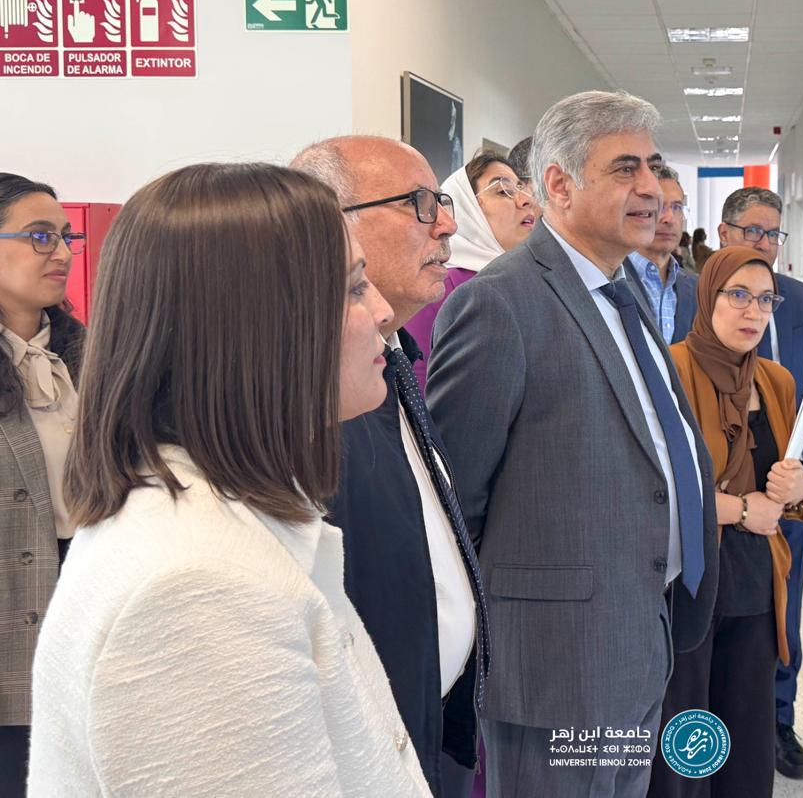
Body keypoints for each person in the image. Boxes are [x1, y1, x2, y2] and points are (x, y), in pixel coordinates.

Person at [27, 163, 431, 796]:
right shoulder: (200, 586)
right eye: (354, 289)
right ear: (260, 326)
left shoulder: (212, 526)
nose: (383, 312)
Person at [427, 90, 719, 798]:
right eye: (625, 168)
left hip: (638, 631)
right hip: (556, 666)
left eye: (652, 166)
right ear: (558, 183)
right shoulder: (500, 302)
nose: (651, 188)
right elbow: (453, 500)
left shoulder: (623, 289)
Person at [292, 136, 489, 798]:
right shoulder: (308, 404)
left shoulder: (395, 355)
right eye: (420, 204)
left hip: (430, 736)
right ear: (328, 221)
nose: (449, 223)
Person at [647, 247, 803, 798]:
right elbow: (652, 486)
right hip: (687, 578)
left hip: (755, 580)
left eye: (765, 300)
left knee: (746, 730)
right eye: (737, 295)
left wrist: (799, 489)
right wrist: (740, 509)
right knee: (687, 731)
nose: (753, 312)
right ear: (707, 295)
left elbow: (787, 489)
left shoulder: (776, 381)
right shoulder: (666, 370)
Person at [715, 186, 803, 779]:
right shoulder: (703, 295)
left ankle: (778, 721)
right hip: (723, 494)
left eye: (772, 234)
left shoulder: (799, 299)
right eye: (752, 232)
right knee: (724, 610)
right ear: (724, 233)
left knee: (784, 606)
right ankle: (718, 723)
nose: (763, 244)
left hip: (791, 489)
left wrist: (793, 466)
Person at [0, 175, 86, 792]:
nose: (60, 253)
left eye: (65, 237)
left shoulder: (90, 354)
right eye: (38, 237)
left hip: (84, 589)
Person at [402, 150, 537, 391]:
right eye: (503, 191)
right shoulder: (441, 286)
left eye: (521, 188)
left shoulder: (533, 280)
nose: (525, 200)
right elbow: (421, 386)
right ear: (469, 209)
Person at [625, 166, 698, 345]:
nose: (669, 218)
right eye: (658, 205)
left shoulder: (697, 287)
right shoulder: (610, 280)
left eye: (677, 207)